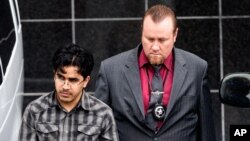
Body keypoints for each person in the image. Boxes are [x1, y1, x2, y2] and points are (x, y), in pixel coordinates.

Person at [95, 4, 216, 141]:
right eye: (150, 39)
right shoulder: (110, 70)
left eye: (162, 40)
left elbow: (206, 132)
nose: (155, 47)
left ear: (175, 35)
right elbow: (98, 128)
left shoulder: (197, 68)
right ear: (142, 31)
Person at [19, 44, 119, 141]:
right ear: (54, 75)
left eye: (73, 80)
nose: (65, 86)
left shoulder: (103, 113)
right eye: (61, 77)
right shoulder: (35, 110)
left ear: (85, 81)